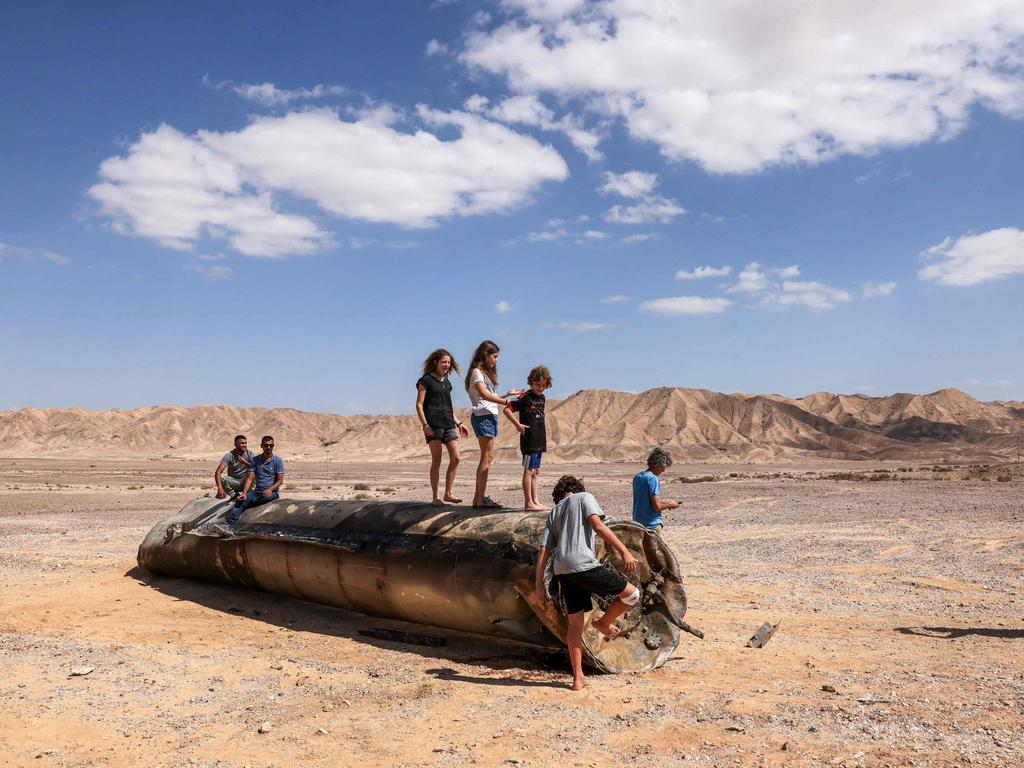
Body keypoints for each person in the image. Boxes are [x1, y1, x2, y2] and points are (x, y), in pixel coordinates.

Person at [533, 475, 640, 691]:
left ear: (559, 495)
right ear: (577, 488)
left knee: (574, 625)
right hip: (583, 564)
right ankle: (602, 623)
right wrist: (624, 551)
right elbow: (598, 526)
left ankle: (578, 678)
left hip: (563, 571)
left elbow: (544, 550)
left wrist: (538, 587)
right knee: (632, 594)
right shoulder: (584, 497)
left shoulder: (554, 512)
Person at [464, 340, 524, 508]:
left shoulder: (483, 373)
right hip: (483, 416)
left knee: (488, 457)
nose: (496, 360)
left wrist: (506, 394)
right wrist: (507, 403)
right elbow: (484, 395)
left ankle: (478, 499)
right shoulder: (477, 372)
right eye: (494, 356)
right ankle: (479, 499)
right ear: (486, 355)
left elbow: (489, 397)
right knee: (487, 457)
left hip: (488, 415)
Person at [416, 348, 470, 507]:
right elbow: (419, 405)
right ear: (435, 362)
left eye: (448, 362)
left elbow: (448, 407)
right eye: (444, 362)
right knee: (437, 460)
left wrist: (459, 423)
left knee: (456, 457)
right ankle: (435, 497)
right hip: (432, 425)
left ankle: (448, 493)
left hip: (448, 423)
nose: (447, 365)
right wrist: (424, 425)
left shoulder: (447, 383)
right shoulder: (425, 380)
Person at [505, 365, 552, 511]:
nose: (541, 388)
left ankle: (535, 500)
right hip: (528, 440)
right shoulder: (525, 397)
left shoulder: (542, 398)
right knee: (528, 470)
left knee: (536, 471)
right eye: (538, 385)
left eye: (544, 385)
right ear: (531, 382)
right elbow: (507, 410)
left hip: (539, 438)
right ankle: (528, 502)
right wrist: (518, 425)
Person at [217, 435, 285, 532]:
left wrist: (270, 489)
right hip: (257, 491)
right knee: (241, 500)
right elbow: (249, 478)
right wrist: (244, 493)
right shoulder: (255, 460)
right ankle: (229, 526)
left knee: (263, 497)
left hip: (271, 492)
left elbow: (280, 481)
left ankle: (249, 504)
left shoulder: (278, 460)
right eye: (266, 445)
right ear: (261, 446)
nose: (268, 448)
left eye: (271, 445)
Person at [632, 446, 679, 532]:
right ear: (659, 464)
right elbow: (657, 506)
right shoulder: (653, 479)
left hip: (637, 523)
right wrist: (671, 504)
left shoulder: (637, 477)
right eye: (664, 467)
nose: (664, 470)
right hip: (651, 525)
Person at [214, 434, 253, 499]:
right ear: (235, 444)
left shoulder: (250, 454)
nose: (244, 445)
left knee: (253, 472)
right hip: (234, 482)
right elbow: (218, 472)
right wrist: (220, 488)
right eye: (242, 443)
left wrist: (245, 462)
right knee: (221, 477)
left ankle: (247, 493)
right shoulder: (229, 455)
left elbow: (257, 468)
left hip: (246, 482)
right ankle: (234, 495)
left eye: (245, 443)